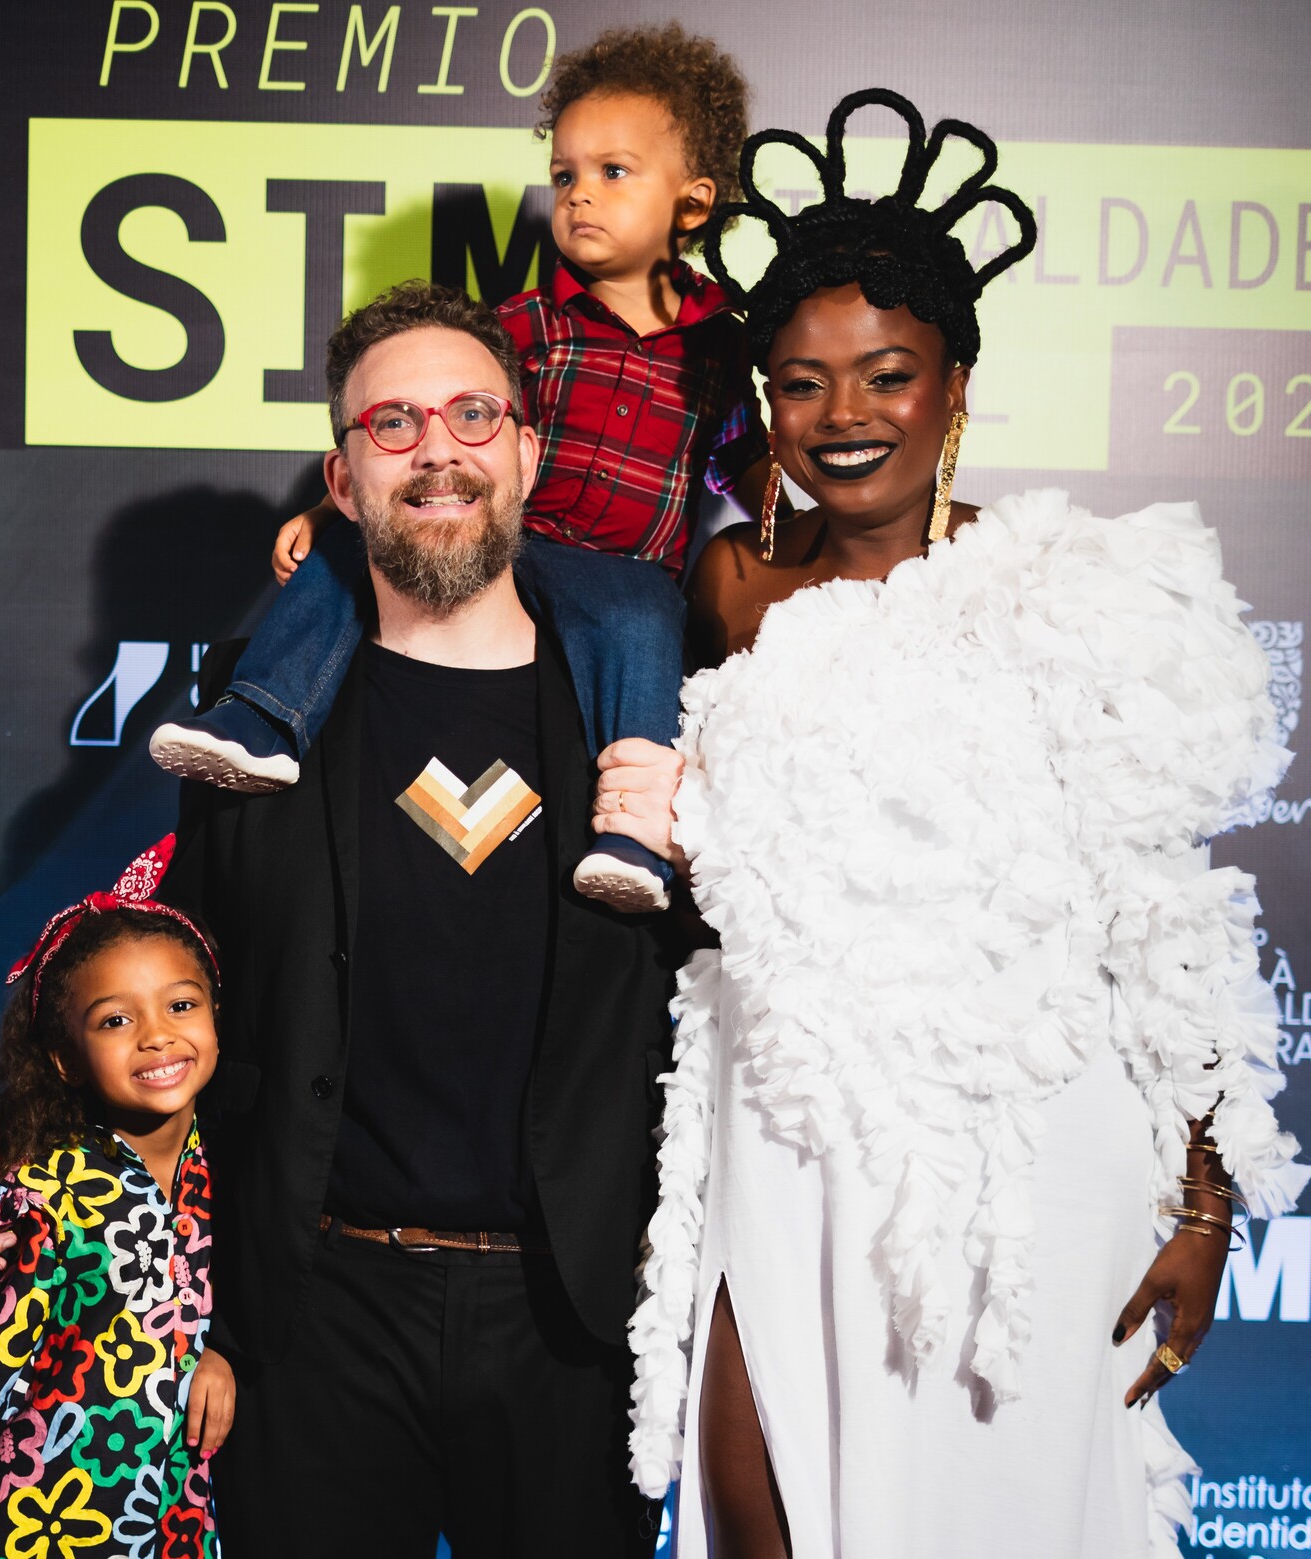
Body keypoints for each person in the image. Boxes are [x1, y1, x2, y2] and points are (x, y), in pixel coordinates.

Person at [604, 90, 1309, 1558]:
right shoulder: (728, 586)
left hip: (1014, 1163)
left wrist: (1200, 1203)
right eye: (801, 384)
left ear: (954, 384)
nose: (844, 416)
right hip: (783, 1124)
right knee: (759, 1500)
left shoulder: (1063, 583)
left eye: (887, 375)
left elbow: (1158, 911)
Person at [0, 283, 680, 1557]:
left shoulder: (645, 720)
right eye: (393, 423)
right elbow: (168, 986)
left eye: (471, 415)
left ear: (525, 452)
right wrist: (21, 1147)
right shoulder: (254, 725)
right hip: (310, 1317)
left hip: (574, 1323)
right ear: (342, 479)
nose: (436, 449)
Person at [146, 22, 773, 914]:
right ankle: (262, 718)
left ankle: (631, 834)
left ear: (694, 203)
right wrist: (324, 516)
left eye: (612, 173)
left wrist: (805, 518)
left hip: (622, 573)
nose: (580, 197)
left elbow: (742, 461)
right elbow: (430, 442)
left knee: (646, 619)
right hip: (501, 546)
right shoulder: (526, 324)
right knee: (358, 553)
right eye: (565, 176)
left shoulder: (719, 348)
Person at [0, 839, 235, 1559]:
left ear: (216, 1014)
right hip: (37, 1529)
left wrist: (219, 1354)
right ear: (65, 1057)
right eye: (115, 1020)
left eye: (181, 1004)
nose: (157, 1036)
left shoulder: (238, 1170)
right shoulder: (44, 1190)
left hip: (176, 1533)